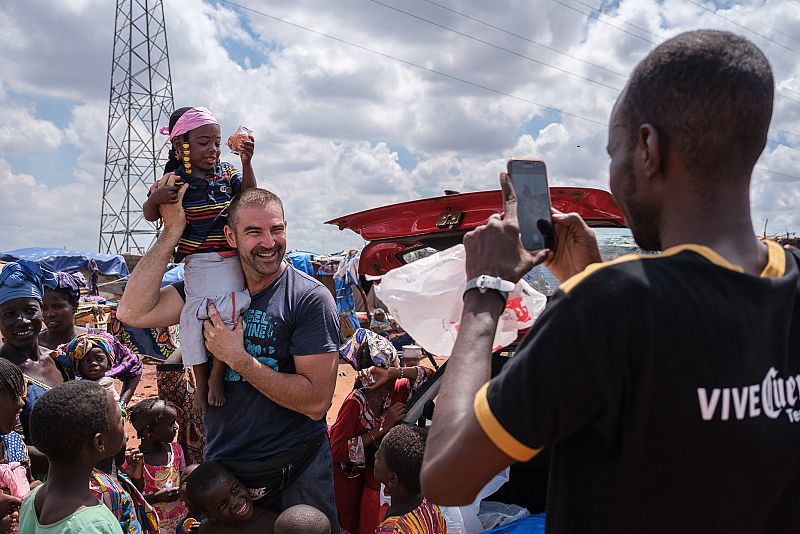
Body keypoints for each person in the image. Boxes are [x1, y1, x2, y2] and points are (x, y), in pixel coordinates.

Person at [420, 30, 800, 533]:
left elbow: (446, 477)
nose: (614, 170)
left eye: (613, 150)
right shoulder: (787, 284)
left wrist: (485, 288)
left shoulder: (610, 307)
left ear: (648, 147)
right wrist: (590, 280)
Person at [117, 187, 341, 531]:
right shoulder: (210, 288)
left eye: (277, 229)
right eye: (254, 232)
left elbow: (315, 402)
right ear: (230, 236)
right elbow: (132, 310)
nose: (269, 242)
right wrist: (172, 233)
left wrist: (238, 359)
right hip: (228, 475)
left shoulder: (308, 298)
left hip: (298, 471)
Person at [143, 106, 257, 416]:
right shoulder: (174, 181)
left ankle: (217, 377)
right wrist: (155, 200)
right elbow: (152, 215)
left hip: (230, 261)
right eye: (204, 142)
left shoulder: (227, 174)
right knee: (192, 323)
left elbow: (248, 197)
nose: (214, 149)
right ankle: (201, 382)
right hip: (197, 265)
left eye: (217, 142)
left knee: (229, 317)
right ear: (181, 145)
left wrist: (245, 163)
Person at [330, 328, 434, 534]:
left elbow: (429, 376)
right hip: (350, 483)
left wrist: (395, 373)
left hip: (379, 482)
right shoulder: (355, 402)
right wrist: (381, 429)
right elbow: (337, 450)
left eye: (390, 370)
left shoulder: (399, 388)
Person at [19, 380, 125, 532]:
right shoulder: (93, 525)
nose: (123, 422)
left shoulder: (33, 499)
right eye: (120, 419)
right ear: (99, 442)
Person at [0, 261, 65, 477]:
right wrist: (77, 458)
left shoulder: (59, 359)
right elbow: (6, 449)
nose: (22, 321)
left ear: (42, 311)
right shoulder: (3, 374)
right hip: (33, 488)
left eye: (30, 310)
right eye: (9, 314)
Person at [126, 398, 188, 533]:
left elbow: (183, 476)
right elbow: (131, 500)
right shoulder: (134, 462)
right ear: (150, 431)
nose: (176, 427)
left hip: (181, 522)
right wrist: (155, 498)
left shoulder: (176, 450)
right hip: (154, 527)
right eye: (171, 424)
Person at [374, 425, 446, 534]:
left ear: (393, 479)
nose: (375, 456)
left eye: (379, 457)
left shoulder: (391, 531)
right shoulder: (430, 505)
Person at [184, 461, 278, 534]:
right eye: (223, 504)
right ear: (209, 515)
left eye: (235, 489)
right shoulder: (207, 530)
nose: (235, 503)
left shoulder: (271, 522)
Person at [54, 332, 142, 406]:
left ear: (109, 364)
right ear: (78, 367)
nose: (94, 363)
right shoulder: (76, 385)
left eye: (99, 359)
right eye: (87, 360)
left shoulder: (106, 384)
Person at [38, 272, 87, 350]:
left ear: (74, 307)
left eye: (58, 307)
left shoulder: (93, 340)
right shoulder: (35, 346)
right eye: (44, 308)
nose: (49, 314)